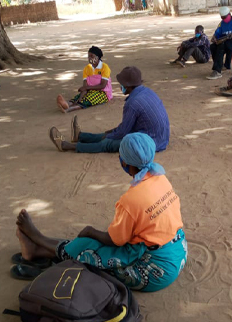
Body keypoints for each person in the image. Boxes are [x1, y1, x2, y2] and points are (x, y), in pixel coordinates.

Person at [14, 132, 187, 291]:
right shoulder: (160, 178)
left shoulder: (131, 200)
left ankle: (37, 240)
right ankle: (38, 249)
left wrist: (90, 231)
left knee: (90, 250)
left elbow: (114, 241)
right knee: (91, 244)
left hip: (155, 272)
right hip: (177, 252)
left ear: (124, 162)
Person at [49, 66, 170, 153]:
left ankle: (68, 146)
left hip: (151, 142)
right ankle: (80, 136)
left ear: (127, 86)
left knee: (108, 143)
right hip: (159, 136)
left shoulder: (132, 103)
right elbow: (126, 127)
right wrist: (110, 132)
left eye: (121, 84)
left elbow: (122, 132)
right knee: (109, 134)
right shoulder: (147, 92)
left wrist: (110, 135)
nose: (120, 86)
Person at [56, 46, 113, 113]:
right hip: (90, 90)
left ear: (97, 57)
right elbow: (84, 88)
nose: (89, 58)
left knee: (88, 100)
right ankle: (67, 104)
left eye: (92, 56)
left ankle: (68, 109)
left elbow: (103, 86)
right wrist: (80, 98)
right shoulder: (87, 68)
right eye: (88, 56)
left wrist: (86, 88)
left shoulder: (105, 67)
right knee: (77, 98)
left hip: (103, 92)